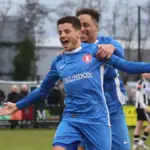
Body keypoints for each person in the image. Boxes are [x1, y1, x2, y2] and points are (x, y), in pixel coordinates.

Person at [0, 16, 150, 150]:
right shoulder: (58, 62)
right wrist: (17, 105)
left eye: (67, 31)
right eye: (60, 32)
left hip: (97, 119)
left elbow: (128, 66)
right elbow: (42, 91)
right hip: (71, 118)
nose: (62, 35)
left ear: (78, 33)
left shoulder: (95, 52)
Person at [75, 8, 130, 150]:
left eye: (86, 25)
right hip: (87, 112)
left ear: (96, 27)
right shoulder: (73, 51)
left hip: (113, 110)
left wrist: (111, 48)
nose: (82, 29)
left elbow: (119, 50)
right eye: (79, 25)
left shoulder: (106, 42)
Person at [133, 73, 150, 150]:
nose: (149, 74)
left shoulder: (148, 83)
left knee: (139, 124)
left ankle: (136, 144)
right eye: (147, 73)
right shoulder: (140, 83)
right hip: (142, 107)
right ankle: (141, 142)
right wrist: (144, 106)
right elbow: (138, 95)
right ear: (143, 74)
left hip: (144, 107)